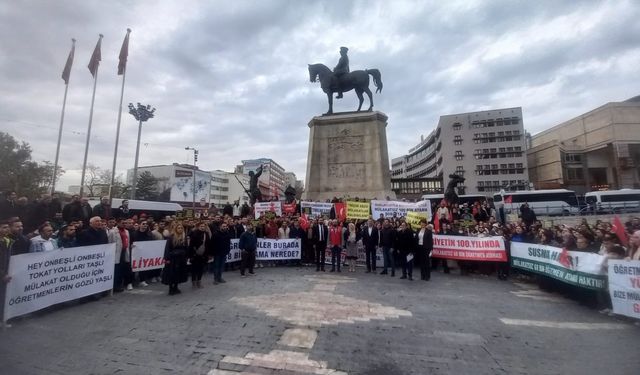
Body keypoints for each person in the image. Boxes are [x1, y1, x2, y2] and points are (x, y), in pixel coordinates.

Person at [162, 223, 189, 295]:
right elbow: (167, 249)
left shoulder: (184, 237)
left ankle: (176, 287)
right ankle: (171, 288)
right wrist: (167, 258)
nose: (180, 229)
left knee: (179, 273)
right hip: (173, 258)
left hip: (181, 258)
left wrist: (186, 256)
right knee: (172, 274)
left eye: (181, 228)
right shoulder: (171, 237)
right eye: (178, 228)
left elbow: (186, 248)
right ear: (176, 229)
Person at [188, 222, 211, 288]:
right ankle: (193, 282)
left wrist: (208, 254)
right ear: (198, 227)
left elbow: (208, 245)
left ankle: (199, 281)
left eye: (203, 226)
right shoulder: (194, 233)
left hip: (203, 255)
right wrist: (190, 255)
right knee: (194, 269)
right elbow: (191, 245)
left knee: (201, 269)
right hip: (195, 255)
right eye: (201, 226)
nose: (202, 227)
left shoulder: (206, 234)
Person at [1, 220, 13, 327]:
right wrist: (2, 275)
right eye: (4, 227)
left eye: (8, 227)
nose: (7, 229)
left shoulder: (7, 240)